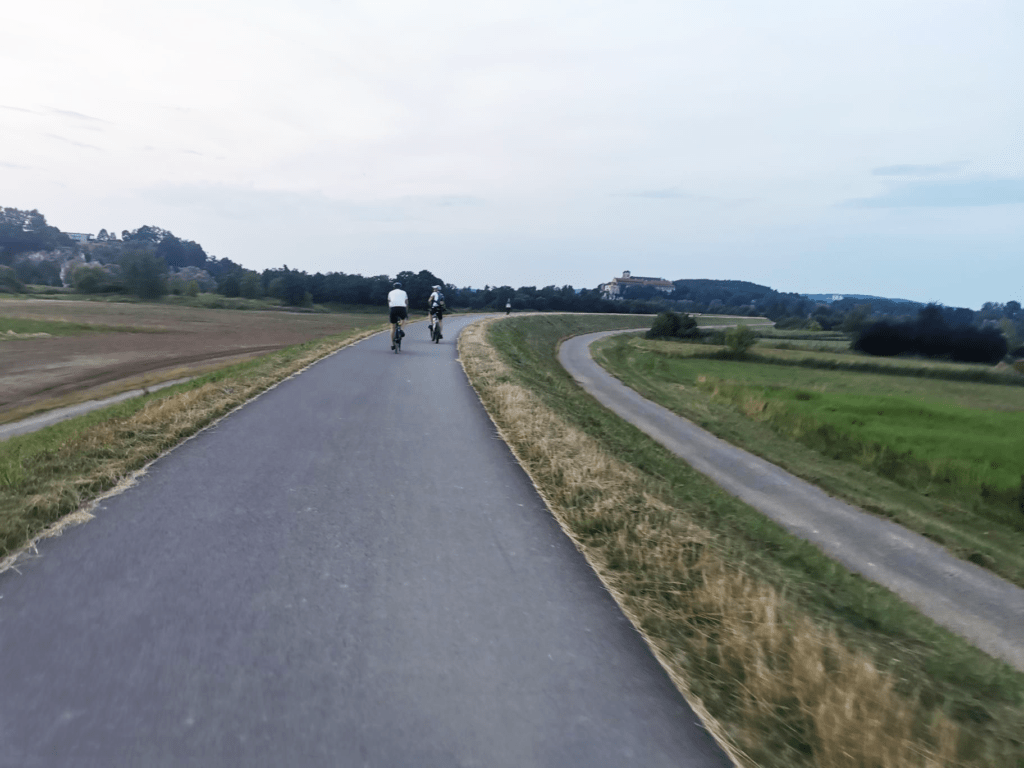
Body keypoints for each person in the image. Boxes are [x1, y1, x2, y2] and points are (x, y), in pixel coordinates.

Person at [388, 281, 409, 350]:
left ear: (394, 287)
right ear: (400, 287)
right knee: (404, 319)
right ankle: (402, 330)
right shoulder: (404, 292)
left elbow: (389, 302)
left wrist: (390, 310)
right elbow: (406, 302)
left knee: (393, 327)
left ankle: (392, 344)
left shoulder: (390, 292)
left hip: (393, 308)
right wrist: (406, 310)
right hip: (402, 308)